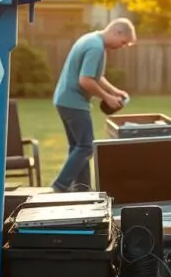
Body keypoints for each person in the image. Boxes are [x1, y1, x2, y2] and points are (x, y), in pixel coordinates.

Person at [50, 18, 137, 192]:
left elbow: (96, 76)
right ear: (117, 32)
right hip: (74, 102)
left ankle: (82, 190)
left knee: (79, 147)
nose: (122, 46)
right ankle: (60, 185)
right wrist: (107, 97)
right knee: (86, 147)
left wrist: (115, 91)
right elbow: (85, 80)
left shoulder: (92, 40)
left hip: (64, 100)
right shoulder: (95, 47)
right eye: (123, 42)